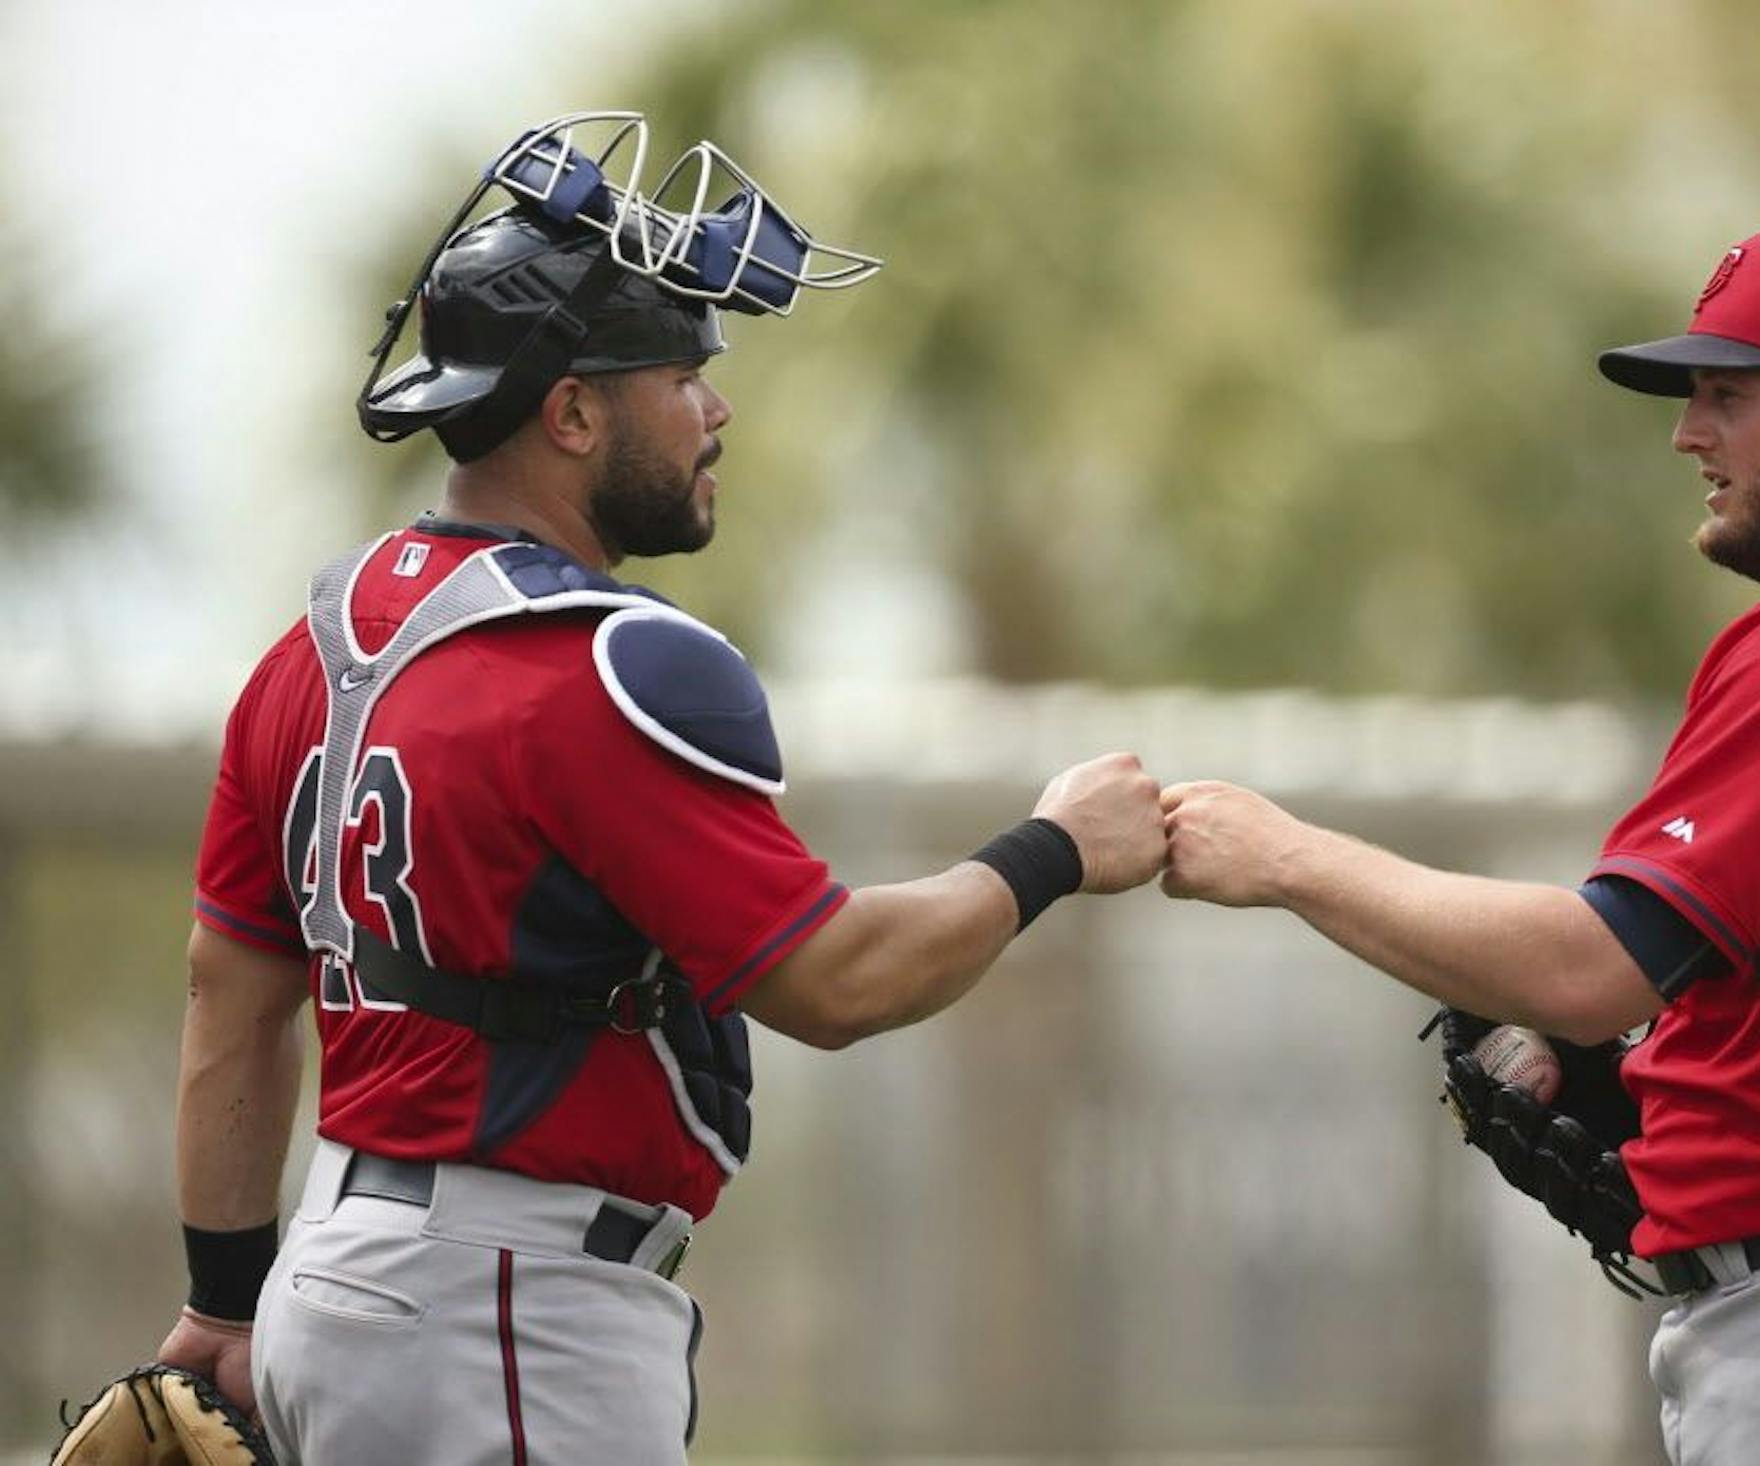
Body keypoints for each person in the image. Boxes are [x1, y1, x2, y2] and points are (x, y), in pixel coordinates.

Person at [154, 113, 1167, 1466]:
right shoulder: (606, 663)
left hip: (334, 1290)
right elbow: (836, 981)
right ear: (570, 410)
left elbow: (233, 997)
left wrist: (224, 1299)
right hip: (503, 1308)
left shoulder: (316, 647)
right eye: (679, 370)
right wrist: (1052, 848)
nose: (715, 405)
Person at [1157, 227, 1760, 1465]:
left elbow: (1587, 968)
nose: (1689, 433)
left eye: (1730, 394)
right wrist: (1693, 1084)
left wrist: (1287, 857)